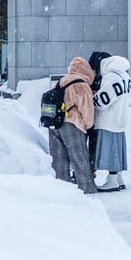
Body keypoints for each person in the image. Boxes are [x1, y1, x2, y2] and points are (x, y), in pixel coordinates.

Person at [46, 56, 97, 196]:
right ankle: (87, 188)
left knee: (59, 159)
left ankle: (63, 189)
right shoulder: (81, 84)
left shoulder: (61, 81)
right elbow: (87, 110)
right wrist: (88, 126)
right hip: (72, 124)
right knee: (79, 157)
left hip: (54, 123)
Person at [88, 50, 131, 193]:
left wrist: (91, 99)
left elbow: (103, 101)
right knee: (117, 150)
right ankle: (119, 178)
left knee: (110, 150)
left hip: (108, 120)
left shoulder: (110, 77)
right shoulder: (124, 75)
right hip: (121, 118)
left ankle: (112, 181)